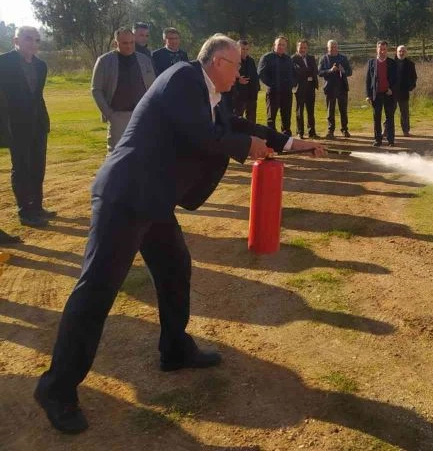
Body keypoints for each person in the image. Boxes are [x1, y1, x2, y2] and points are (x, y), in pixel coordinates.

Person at [34, 34, 324, 434]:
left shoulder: (211, 94)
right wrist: (247, 146)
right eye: (237, 65)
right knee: (97, 290)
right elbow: (203, 137)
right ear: (218, 62)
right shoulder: (182, 79)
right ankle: (57, 389)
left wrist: (290, 143)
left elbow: (235, 125)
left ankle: (173, 349)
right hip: (126, 196)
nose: (241, 73)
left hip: (154, 201)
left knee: (175, 268)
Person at [0, 26, 54, 228]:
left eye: (37, 40)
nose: (33, 43)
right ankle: (25, 210)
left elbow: (37, 96)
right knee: (21, 167)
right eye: (28, 38)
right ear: (16, 40)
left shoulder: (41, 66)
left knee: (38, 166)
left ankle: (37, 206)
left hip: (38, 122)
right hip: (15, 124)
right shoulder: (3, 62)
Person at [90, 27, 156, 152]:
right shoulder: (104, 61)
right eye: (125, 43)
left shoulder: (145, 60)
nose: (129, 46)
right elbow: (96, 89)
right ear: (116, 43)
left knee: (143, 153)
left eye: (131, 42)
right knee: (117, 154)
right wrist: (109, 114)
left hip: (142, 116)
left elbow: (153, 88)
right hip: (118, 116)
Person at [257, 36, 296, 136]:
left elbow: (294, 73)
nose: (281, 47)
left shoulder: (288, 59)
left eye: (283, 45)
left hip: (287, 92)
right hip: (273, 92)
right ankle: (271, 139)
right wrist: (272, 84)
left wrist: (292, 83)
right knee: (271, 117)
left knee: (286, 116)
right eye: (279, 44)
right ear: (274, 45)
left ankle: (286, 137)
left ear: (286, 47)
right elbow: (261, 73)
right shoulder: (267, 58)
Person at [318, 40, 352, 139]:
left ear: (337, 47)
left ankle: (344, 129)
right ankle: (330, 131)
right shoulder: (323, 58)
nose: (333, 48)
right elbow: (319, 72)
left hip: (342, 88)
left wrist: (343, 70)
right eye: (331, 47)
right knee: (330, 111)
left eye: (334, 46)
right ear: (327, 47)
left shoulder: (343, 58)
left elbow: (350, 72)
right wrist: (330, 70)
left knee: (343, 111)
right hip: (330, 88)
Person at [365, 40, 397, 147]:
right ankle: (377, 140)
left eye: (384, 49)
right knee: (376, 118)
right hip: (376, 95)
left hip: (388, 94)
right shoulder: (371, 62)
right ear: (376, 49)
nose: (382, 51)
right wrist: (368, 95)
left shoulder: (392, 63)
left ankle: (391, 140)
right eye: (380, 48)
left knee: (390, 118)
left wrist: (391, 89)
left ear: (387, 50)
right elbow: (368, 80)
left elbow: (396, 79)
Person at [292, 39, 319, 138]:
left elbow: (315, 71)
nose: (303, 49)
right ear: (297, 48)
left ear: (307, 48)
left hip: (311, 87)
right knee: (300, 110)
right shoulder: (293, 59)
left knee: (311, 110)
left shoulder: (311, 58)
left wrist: (306, 71)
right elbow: (298, 71)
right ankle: (300, 132)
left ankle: (312, 132)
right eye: (301, 47)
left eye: (305, 47)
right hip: (300, 88)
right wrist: (308, 71)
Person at [231, 38, 259, 123]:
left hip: (251, 96)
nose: (245, 51)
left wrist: (256, 89)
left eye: (247, 49)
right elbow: (227, 77)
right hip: (238, 96)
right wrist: (238, 81)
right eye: (242, 49)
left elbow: (255, 76)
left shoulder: (251, 61)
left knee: (251, 120)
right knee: (237, 119)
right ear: (237, 48)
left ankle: (251, 135)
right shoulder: (232, 60)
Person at [392, 45, 417, 136]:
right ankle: (386, 130)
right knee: (389, 113)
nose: (401, 53)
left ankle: (406, 130)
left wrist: (411, 87)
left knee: (405, 113)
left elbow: (414, 77)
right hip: (392, 92)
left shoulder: (410, 64)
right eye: (400, 51)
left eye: (403, 51)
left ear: (406, 52)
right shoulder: (391, 63)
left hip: (404, 92)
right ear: (396, 52)